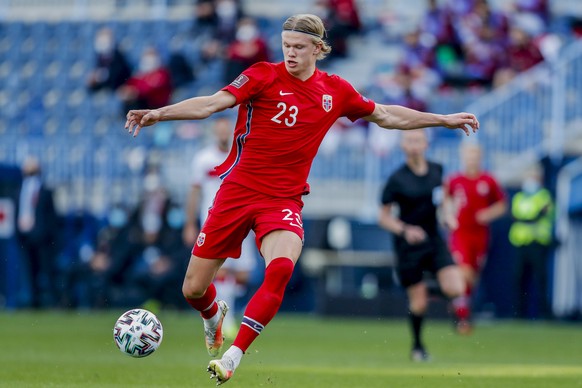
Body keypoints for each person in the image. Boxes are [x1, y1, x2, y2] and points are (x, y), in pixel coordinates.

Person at [125, 13, 479, 385]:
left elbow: (387, 115)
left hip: (283, 200)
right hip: (237, 193)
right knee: (193, 288)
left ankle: (233, 356)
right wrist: (159, 114)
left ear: (318, 49)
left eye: (298, 47)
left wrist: (443, 119)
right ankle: (213, 315)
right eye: (286, 46)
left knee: (280, 268)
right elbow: (211, 104)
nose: (290, 54)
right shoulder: (262, 75)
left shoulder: (335, 91)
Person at [378, 130, 467, 362]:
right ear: (403, 146)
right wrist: (405, 230)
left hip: (433, 238)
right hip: (408, 245)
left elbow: (444, 197)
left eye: (418, 140)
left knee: (456, 287)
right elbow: (384, 217)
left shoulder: (437, 169)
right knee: (418, 303)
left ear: (426, 144)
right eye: (409, 141)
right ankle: (417, 347)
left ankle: (433, 293)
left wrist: (448, 215)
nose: (414, 145)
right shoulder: (396, 179)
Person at [183, 116, 257, 338]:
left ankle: (225, 310)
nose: (224, 134)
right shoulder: (204, 158)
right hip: (214, 219)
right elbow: (194, 192)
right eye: (221, 130)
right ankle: (226, 321)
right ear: (215, 132)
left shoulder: (243, 153)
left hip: (242, 217)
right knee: (222, 271)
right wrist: (189, 223)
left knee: (242, 275)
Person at [444, 142, 506, 332]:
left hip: (480, 235)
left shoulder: (488, 180)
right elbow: (446, 200)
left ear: (480, 157)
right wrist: (449, 216)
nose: (471, 158)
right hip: (460, 233)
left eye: (475, 155)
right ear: (463, 157)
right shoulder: (454, 180)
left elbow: (502, 205)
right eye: (468, 155)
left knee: (473, 276)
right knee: (464, 271)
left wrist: (488, 214)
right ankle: (463, 317)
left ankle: (460, 306)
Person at [509, 164, 554, 319]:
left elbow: (542, 215)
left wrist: (527, 219)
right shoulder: (519, 197)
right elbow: (516, 216)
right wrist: (530, 219)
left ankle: (544, 312)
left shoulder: (544, 196)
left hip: (538, 242)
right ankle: (520, 312)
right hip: (521, 243)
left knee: (541, 278)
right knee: (520, 278)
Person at [15, 157, 59, 308]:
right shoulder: (20, 189)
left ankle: (54, 302)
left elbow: (51, 216)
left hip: (42, 238)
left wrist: (49, 236)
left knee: (47, 271)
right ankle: (34, 302)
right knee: (30, 271)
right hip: (25, 237)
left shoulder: (45, 191)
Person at [117, 47, 173, 114]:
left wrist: (135, 92)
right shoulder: (142, 74)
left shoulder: (162, 73)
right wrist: (126, 91)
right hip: (144, 106)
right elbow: (130, 84)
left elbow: (151, 88)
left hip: (159, 107)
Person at [86, 27, 132, 93]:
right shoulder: (99, 57)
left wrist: (101, 76)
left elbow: (119, 74)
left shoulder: (119, 55)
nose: (103, 42)